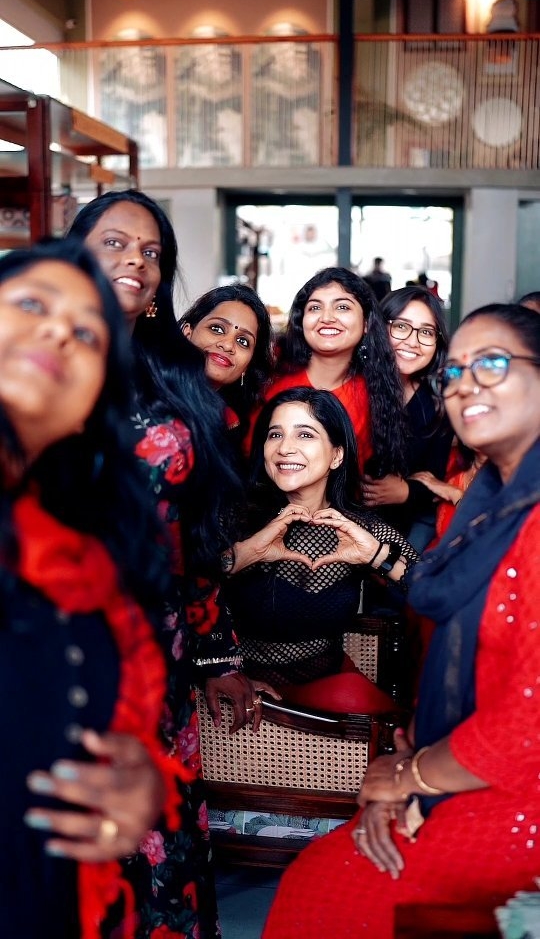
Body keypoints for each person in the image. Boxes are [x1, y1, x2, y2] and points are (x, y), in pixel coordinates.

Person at [262, 302, 540, 939]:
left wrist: (406, 779)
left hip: (522, 795)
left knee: (324, 889)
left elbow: (529, 722)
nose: (466, 383)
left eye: (492, 364)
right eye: (458, 371)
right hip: (466, 762)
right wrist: (409, 765)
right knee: (321, 873)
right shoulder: (490, 509)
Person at [69, 190, 262, 939]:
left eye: (152, 254)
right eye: (116, 243)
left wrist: (217, 654)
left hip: (155, 657)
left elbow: (199, 532)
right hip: (48, 647)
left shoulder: (180, 382)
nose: (135, 262)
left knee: (153, 841)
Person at [0, 238, 180, 939]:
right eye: (32, 305)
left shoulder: (89, 564)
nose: (56, 332)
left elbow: (103, 724)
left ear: (88, 407)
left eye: (86, 334)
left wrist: (135, 780)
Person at [222, 388, 418, 714]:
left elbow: (439, 590)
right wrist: (244, 554)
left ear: (337, 455)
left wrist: (377, 556)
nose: (285, 448)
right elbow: (177, 592)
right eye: (275, 434)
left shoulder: (359, 527)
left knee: (365, 705)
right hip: (240, 690)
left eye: (305, 434)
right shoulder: (235, 516)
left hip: (330, 685)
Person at [255, 267, 408, 478]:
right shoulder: (271, 372)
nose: (327, 317)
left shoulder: (376, 393)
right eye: (315, 308)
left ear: (366, 323)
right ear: (301, 321)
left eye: (342, 307)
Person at [362, 285, 452, 552]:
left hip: (403, 525)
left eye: (426, 332)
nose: (412, 341)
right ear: (380, 328)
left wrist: (406, 492)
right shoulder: (354, 383)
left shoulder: (437, 402)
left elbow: (433, 477)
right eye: (401, 326)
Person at [179, 282, 273, 443]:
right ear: (187, 333)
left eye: (243, 341)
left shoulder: (230, 423)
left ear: (248, 365)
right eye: (217, 329)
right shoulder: (144, 392)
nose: (228, 345)